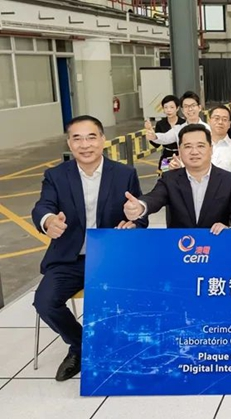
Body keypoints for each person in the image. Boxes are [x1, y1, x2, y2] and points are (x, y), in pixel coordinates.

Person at [32, 115, 146, 382]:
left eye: (91, 137)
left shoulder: (125, 174)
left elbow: (139, 214)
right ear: (69, 143)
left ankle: (124, 347)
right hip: (70, 259)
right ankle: (81, 345)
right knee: (45, 302)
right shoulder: (56, 176)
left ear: (103, 139)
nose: (85, 145)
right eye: (77, 139)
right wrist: (48, 221)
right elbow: (43, 206)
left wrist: (134, 222)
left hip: (111, 258)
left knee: (134, 297)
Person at [124, 124, 231, 232]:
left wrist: (229, 231)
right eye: (188, 146)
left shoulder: (229, 180)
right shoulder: (170, 179)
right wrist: (140, 206)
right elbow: (155, 197)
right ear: (180, 151)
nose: (194, 152)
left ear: (211, 149)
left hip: (215, 246)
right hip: (180, 247)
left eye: (200, 146)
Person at [169, 106, 231, 176]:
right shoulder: (196, 146)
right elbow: (186, 169)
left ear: (229, 124)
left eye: (224, 119)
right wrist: (177, 168)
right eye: (216, 118)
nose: (220, 122)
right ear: (209, 121)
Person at [145, 91, 209, 146]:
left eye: (193, 105)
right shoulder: (178, 129)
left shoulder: (208, 129)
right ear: (182, 110)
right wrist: (154, 136)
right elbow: (165, 137)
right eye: (186, 106)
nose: (190, 109)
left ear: (199, 107)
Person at [150, 95, 185, 173]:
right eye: (166, 107)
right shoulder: (160, 124)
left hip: (181, 155)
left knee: (181, 175)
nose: (169, 110)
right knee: (165, 175)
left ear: (177, 108)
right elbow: (157, 145)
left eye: (172, 107)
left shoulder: (183, 123)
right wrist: (151, 137)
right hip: (166, 156)